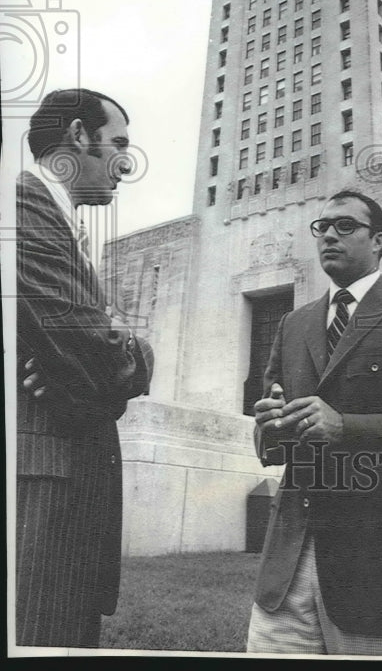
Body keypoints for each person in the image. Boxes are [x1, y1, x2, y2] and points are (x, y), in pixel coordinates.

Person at [246, 189, 382, 656]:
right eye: (322, 227)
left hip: (377, 563)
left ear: (378, 240)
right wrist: (270, 427)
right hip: (287, 564)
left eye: (345, 226)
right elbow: (270, 430)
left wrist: (346, 428)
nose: (329, 236)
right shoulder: (293, 324)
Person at [15, 88, 154, 648]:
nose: (125, 163)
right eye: (118, 144)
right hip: (44, 487)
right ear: (77, 136)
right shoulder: (24, 207)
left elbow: (91, 361)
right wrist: (126, 358)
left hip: (68, 488)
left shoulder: (57, 222)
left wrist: (110, 357)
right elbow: (102, 363)